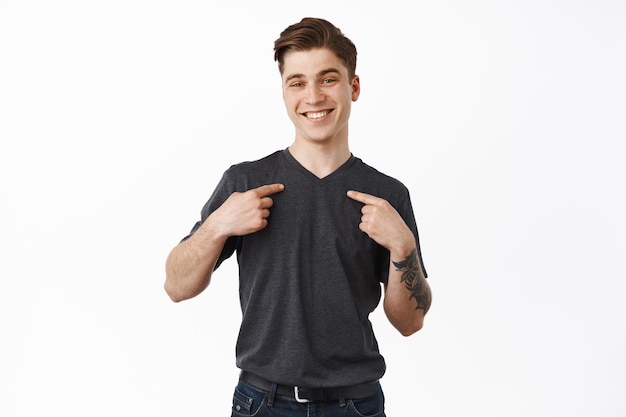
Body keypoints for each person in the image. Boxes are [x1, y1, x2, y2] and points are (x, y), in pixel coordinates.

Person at [164, 17, 432, 417]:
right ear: (285, 92)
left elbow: (409, 322)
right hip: (262, 402)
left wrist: (403, 245)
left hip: (355, 404)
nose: (313, 96)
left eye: (328, 79)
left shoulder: (388, 195)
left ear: (352, 87)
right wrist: (219, 224)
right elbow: (176, 286)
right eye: (297, 82)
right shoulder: (246, 182)